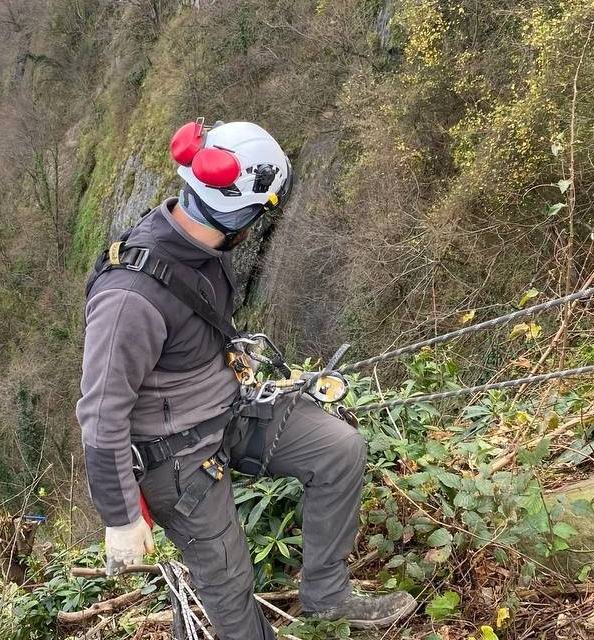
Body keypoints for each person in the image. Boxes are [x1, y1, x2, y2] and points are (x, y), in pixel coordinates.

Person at [75, 120, 417, 638]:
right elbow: (101, 416)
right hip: (175, 457)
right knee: (230, 583)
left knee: (338, 450)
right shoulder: (129, 299)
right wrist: (121, 518)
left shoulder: (200, 248)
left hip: (226, 412)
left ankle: (327, 596)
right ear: (246, 214)